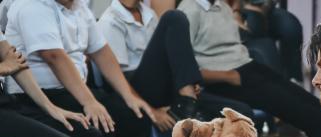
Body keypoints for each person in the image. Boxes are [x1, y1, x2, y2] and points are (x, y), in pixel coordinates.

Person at [5, 0, 153, 137]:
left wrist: (128, 95)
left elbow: (100, 50)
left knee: (135, 120)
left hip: (75, 89)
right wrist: (89, 102)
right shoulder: (31, 5)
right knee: (98, 135)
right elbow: (53, 56)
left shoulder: (79, 7)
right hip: (39, 96)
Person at [178, 0, 321, 137]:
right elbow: (182, 68)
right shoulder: (189, 11)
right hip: (223, 80)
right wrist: (228, 77)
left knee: (318, 107)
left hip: (247, 67)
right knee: (308, 114)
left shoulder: (220, 5)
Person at [97, 0, 254, 128]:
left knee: (241, 114)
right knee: (173, 17)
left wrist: (188, 80)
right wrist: (152, 111)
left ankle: (188, 101)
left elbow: (169, 55)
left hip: (168, 88)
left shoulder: (148, 13)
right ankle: (187, 101)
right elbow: (118, 81)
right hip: (138, 91)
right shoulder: (110, 21)